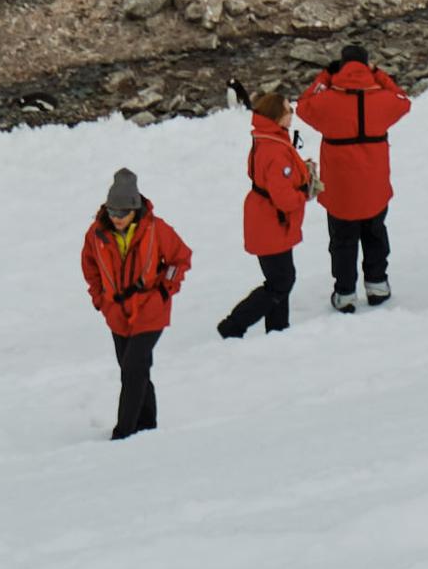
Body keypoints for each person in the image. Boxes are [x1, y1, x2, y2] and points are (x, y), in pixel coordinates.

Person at [297, 43, 411, 311]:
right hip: (374, 186)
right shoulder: (381, 98)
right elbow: (403, 100)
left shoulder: (327, 101)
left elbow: (302, 105)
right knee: (375, 235)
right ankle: (377, 285)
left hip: (340, 190)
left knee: (342, 242)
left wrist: (325, 76)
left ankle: (345, 293)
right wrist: (379, 74)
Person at [81, 166, 193, 438]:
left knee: (133, 369)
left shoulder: (156, 229)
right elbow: (90, 267)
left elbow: (180, 259)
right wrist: (100, 300)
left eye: (122, 213)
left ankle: (124, 433)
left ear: (134, 209)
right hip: (117, 315)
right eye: (112, 212)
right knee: (135, 369)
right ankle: (147, 427)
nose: (116, 218)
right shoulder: (95, 235)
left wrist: (165, 291)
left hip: (150, 311)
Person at [220, 87, 312, 337]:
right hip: (272, 222)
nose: (292, 114)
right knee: (282, 281)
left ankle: (278, 329)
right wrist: (304, 193)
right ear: (277, 116)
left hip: (267, 219)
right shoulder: (275, 148)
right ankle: (233, 326)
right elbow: (283, 197)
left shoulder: (269, 138)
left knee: (279, 279)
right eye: (288, 110)